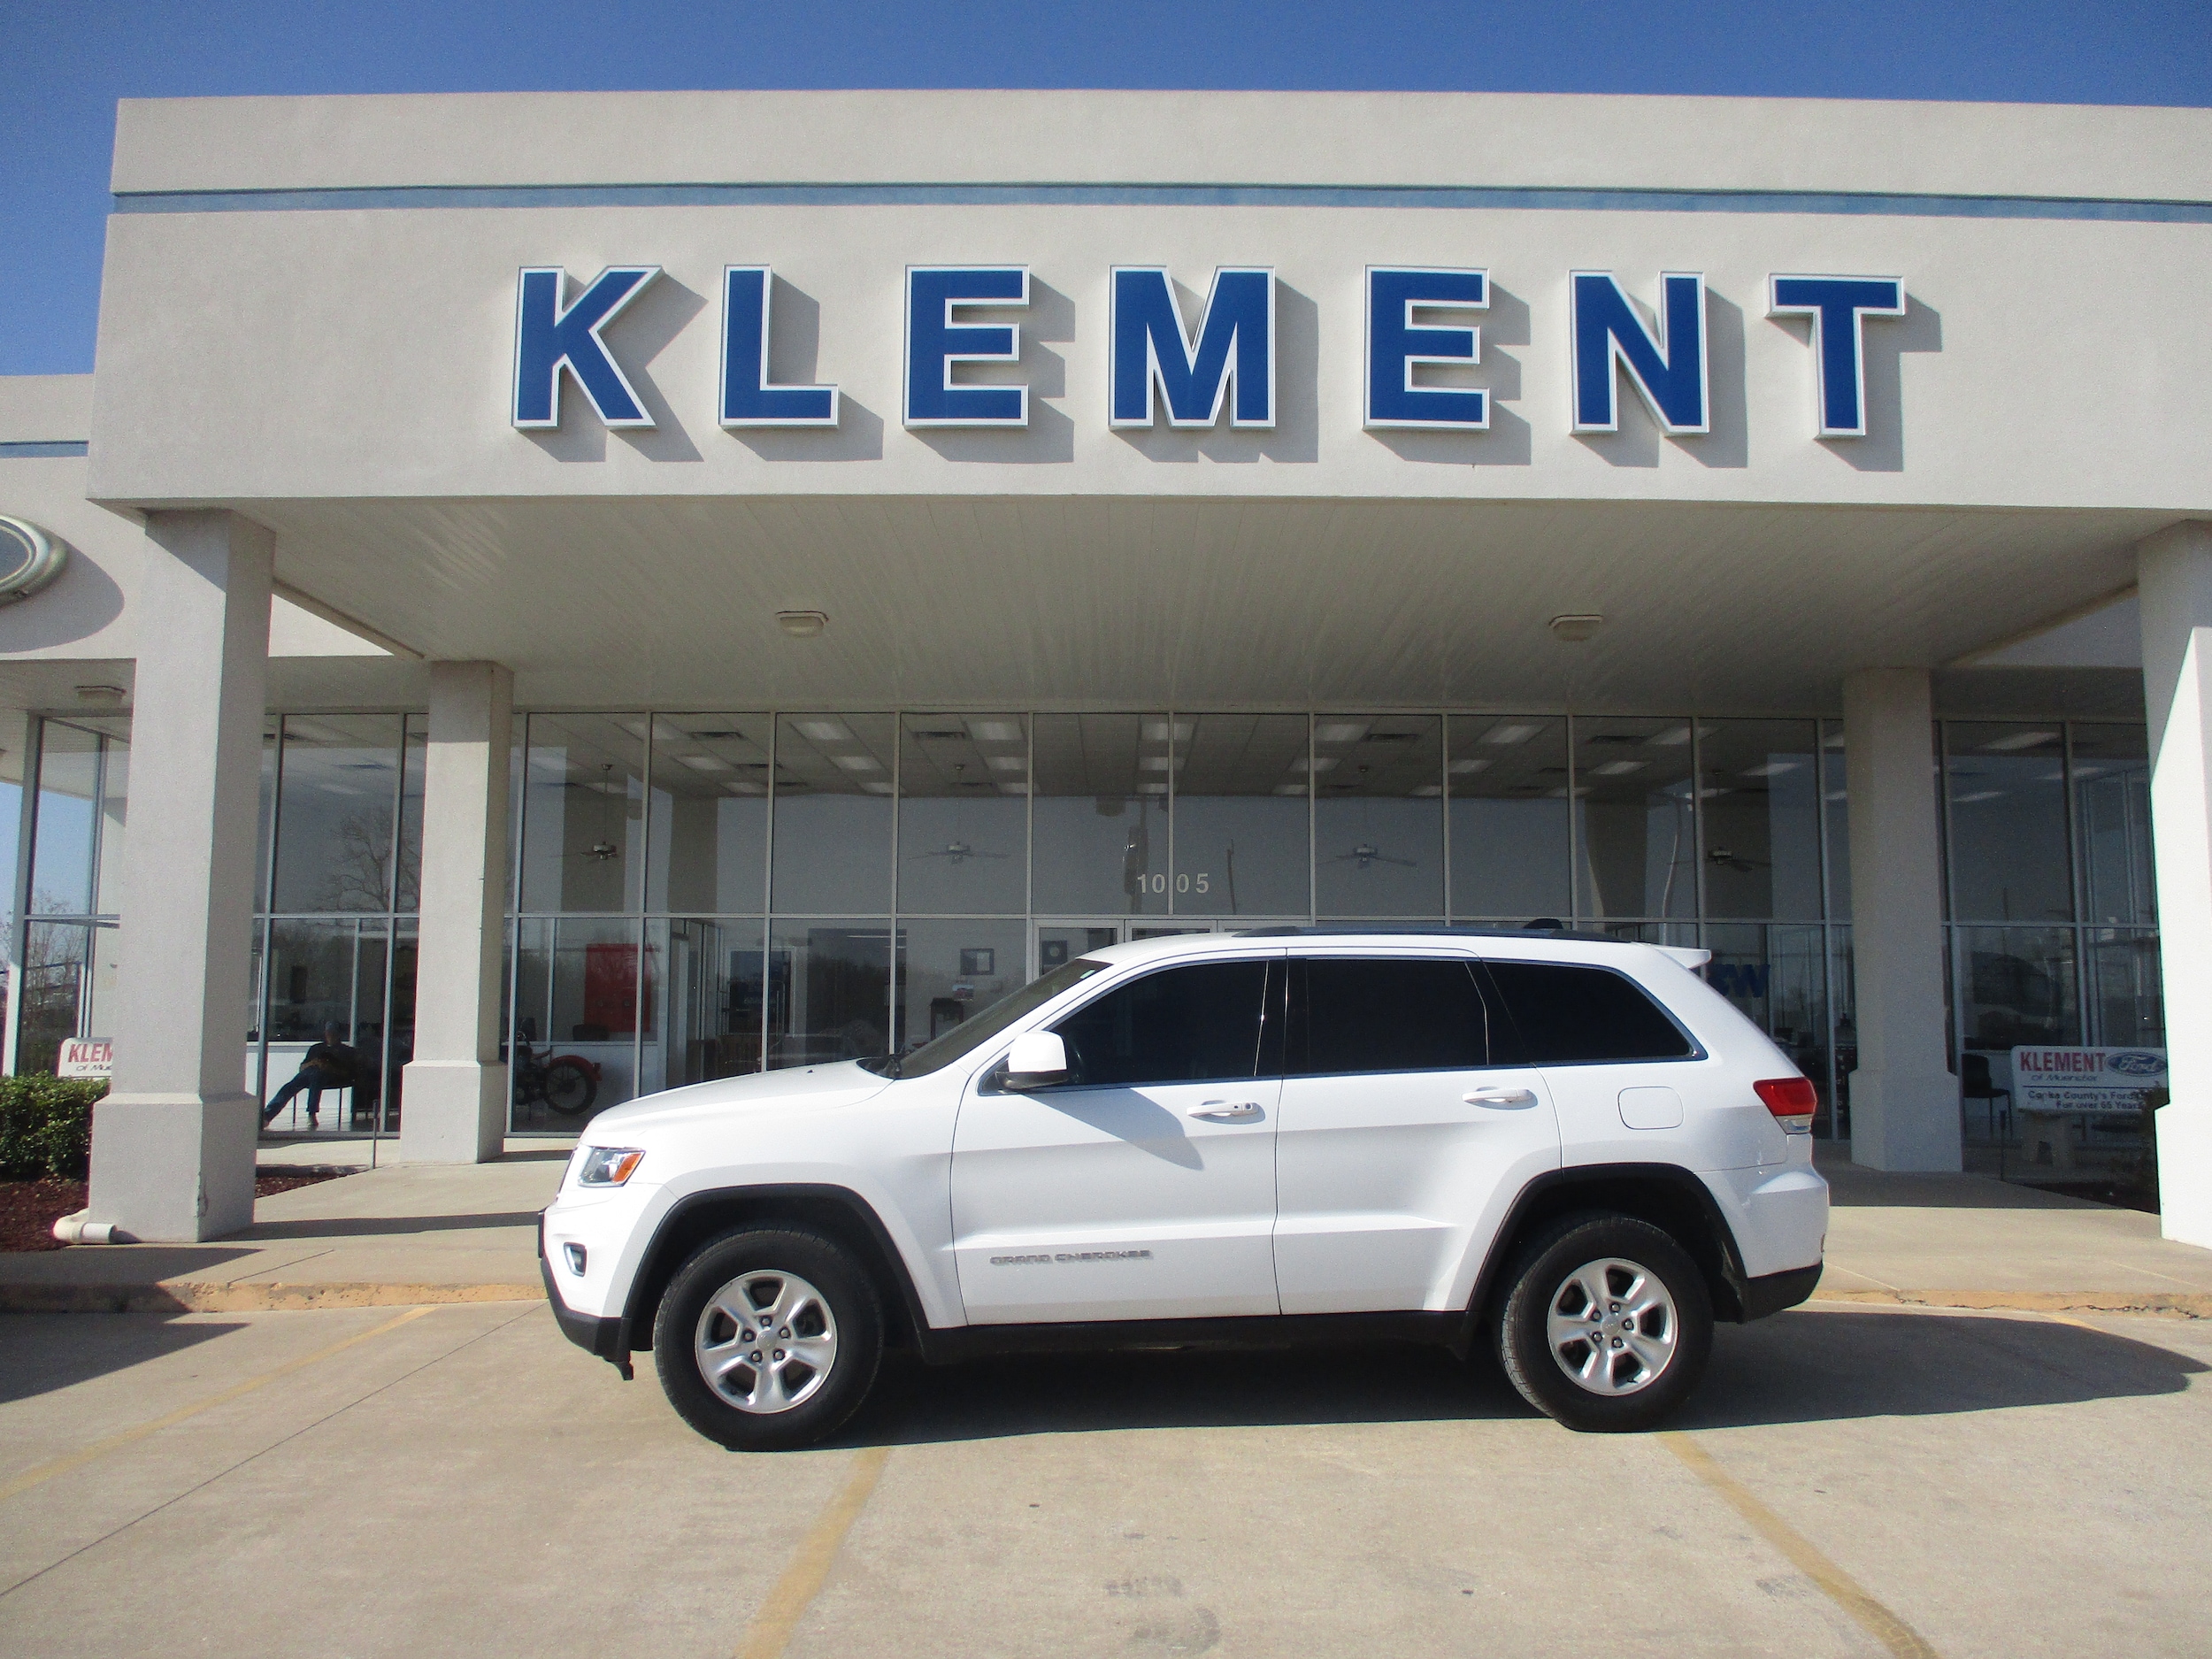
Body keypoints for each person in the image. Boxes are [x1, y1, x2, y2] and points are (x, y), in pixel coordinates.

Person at [260, 1025, 357, 1130]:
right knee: (290, 1086)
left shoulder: (345, 1051)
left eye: (333, 1032)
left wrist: (328, 1067)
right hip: (309, 1073)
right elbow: (302, 1067)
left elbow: (347, 1073)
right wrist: (313, 1063)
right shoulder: (316, 1048)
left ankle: (312, 1112)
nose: (330, 1035)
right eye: (328, 1032)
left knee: (317, 1077)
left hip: (330, 1076)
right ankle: (268, 1114)